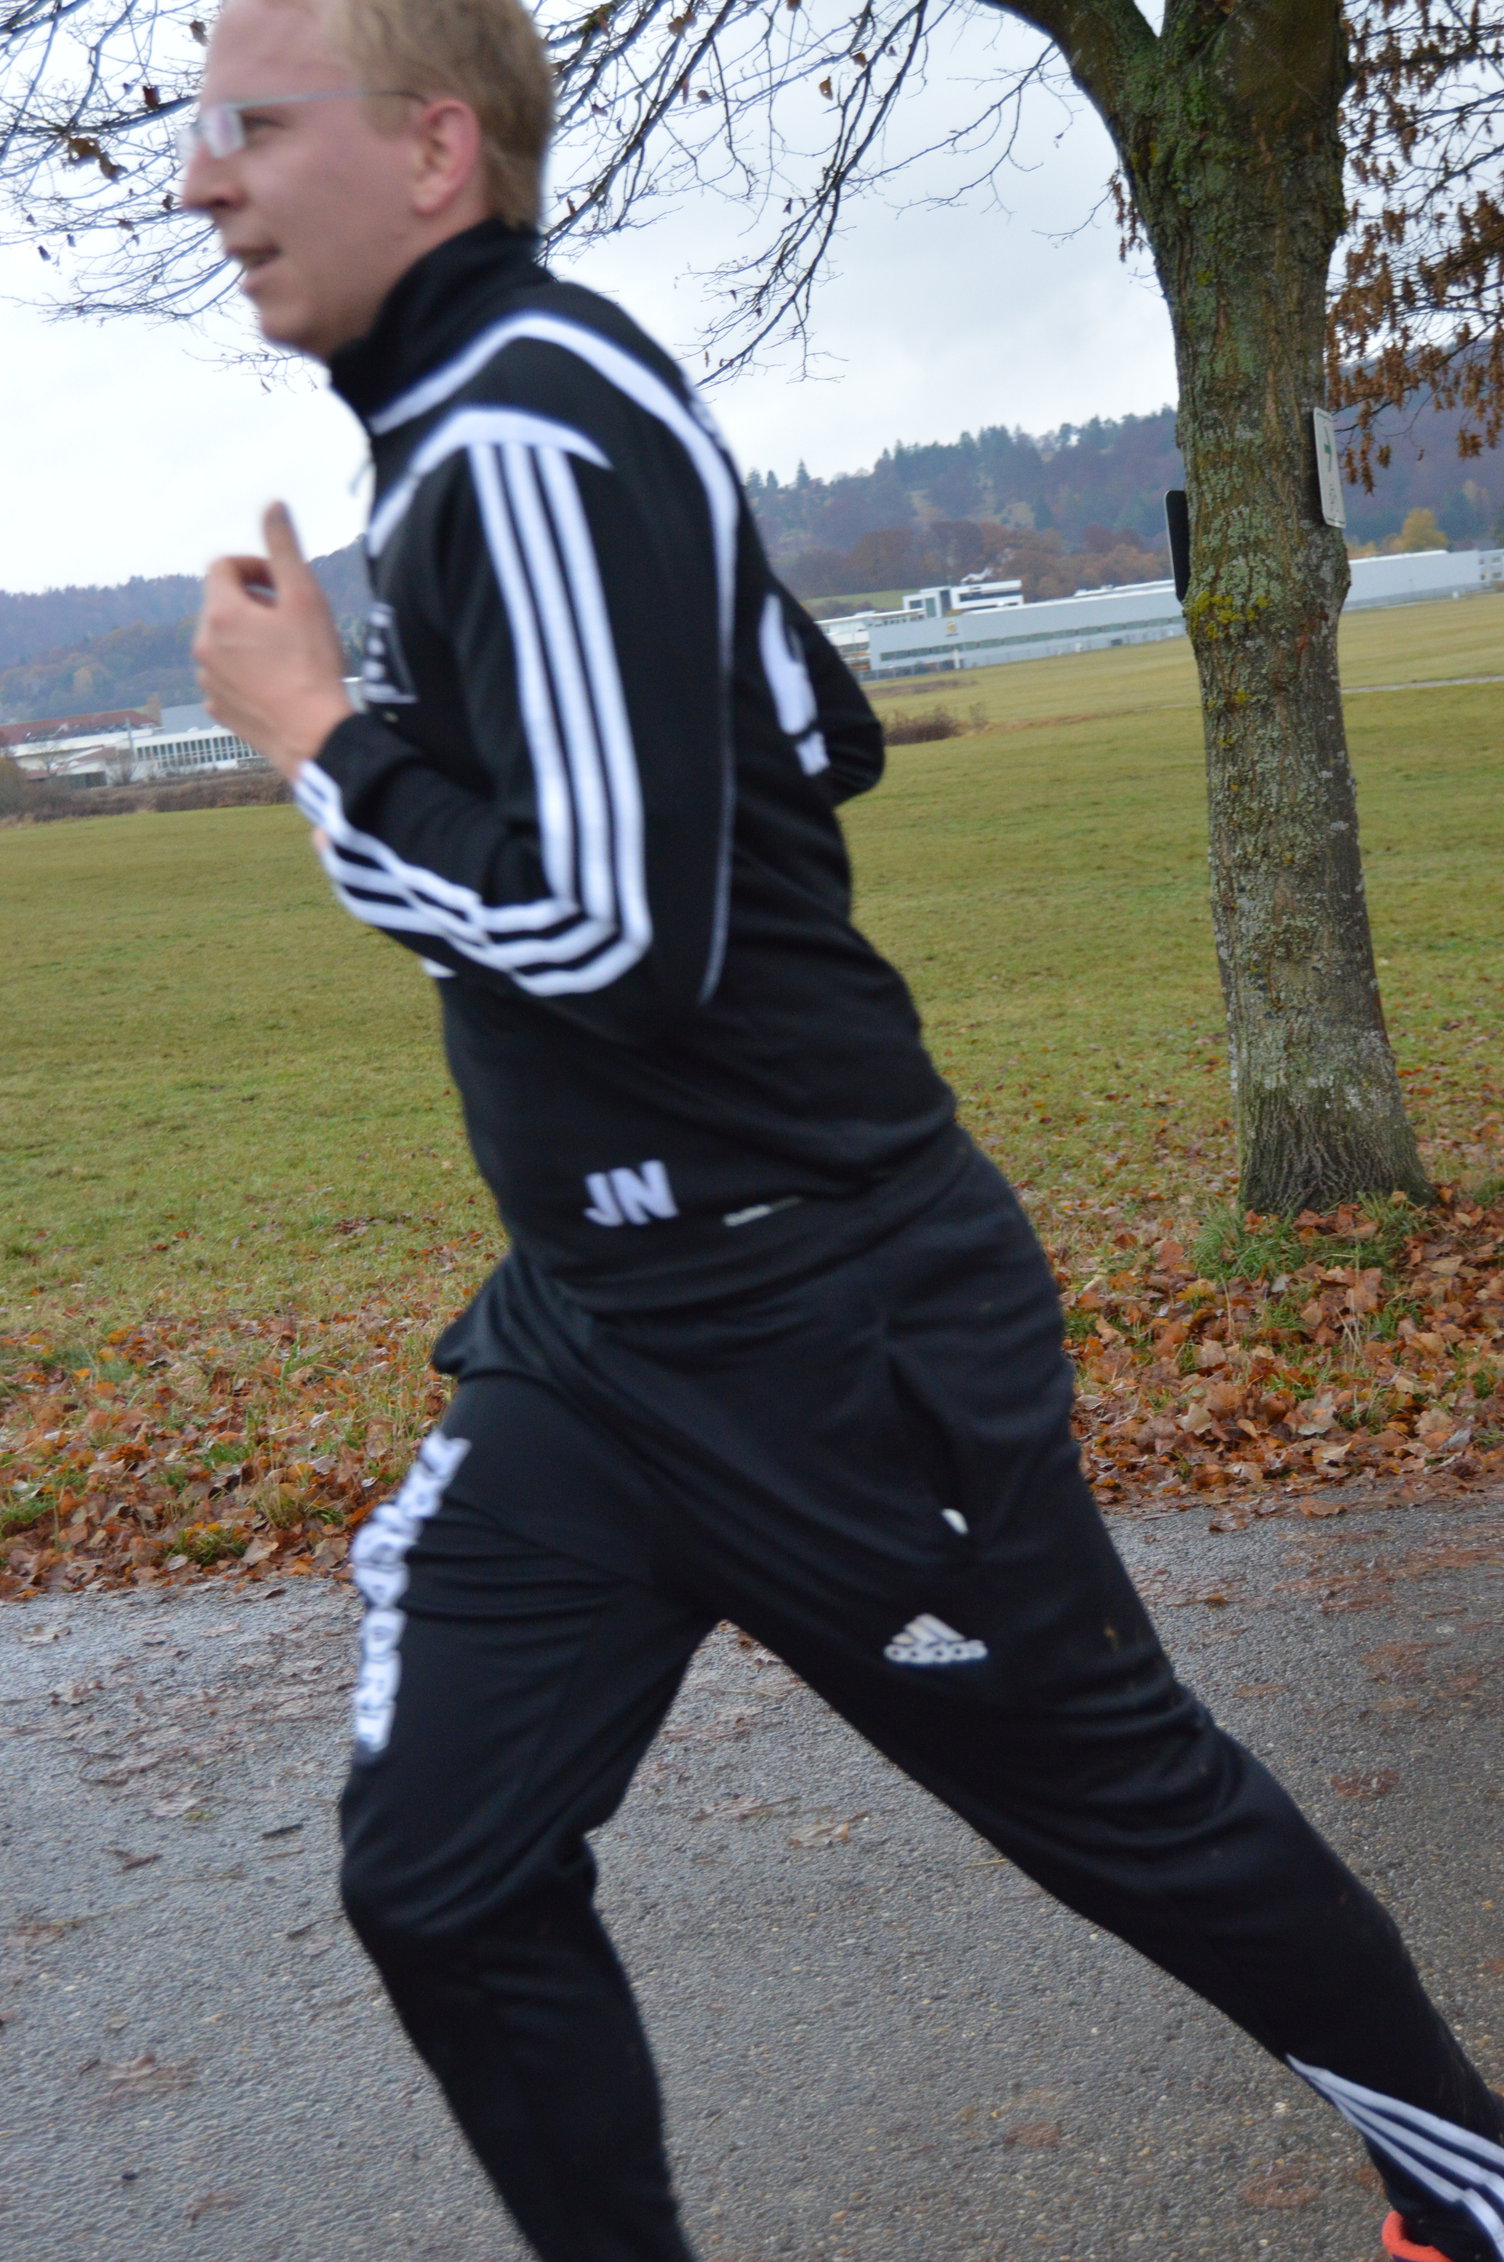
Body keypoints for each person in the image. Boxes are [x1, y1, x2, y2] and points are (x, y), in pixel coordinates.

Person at [184, 4, 1504, 2258]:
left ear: (431, 150)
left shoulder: (522, 432)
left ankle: (1473, 2194)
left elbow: (615, 935)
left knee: (1130, 1810)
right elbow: (821, 722)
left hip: (825, 1324)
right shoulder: (509, 429)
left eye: (245, 123)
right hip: (599, 1333)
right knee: (442, 1870)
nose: (201, 178)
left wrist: (319, 736)